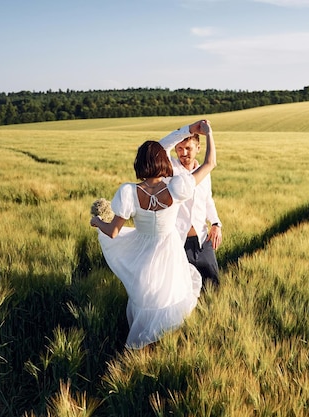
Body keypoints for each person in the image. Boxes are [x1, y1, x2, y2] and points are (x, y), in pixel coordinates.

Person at [90, 119, 216, 349]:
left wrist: (97, 221)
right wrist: (207, 134)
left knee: (145, 301)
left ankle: (142, 346)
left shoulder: (129, 192)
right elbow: (210, 163)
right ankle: (163, 345)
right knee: (170, 300)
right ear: (163, 160)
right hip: (171, 254)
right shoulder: (177, 187)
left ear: (140, 163)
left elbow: (113, 232)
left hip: (142, 256)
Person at [158, 132, 222, 289]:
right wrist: (188, 129)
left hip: (202, 240)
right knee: (181, 289)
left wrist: (215, 223)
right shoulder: (170, 170)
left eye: (188, 148)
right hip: (178, 242)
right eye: (179, 148)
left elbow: (208, 200)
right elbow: (160, 147)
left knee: (213, 286)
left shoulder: (204, 172)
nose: (183, 153)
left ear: (198, 148)